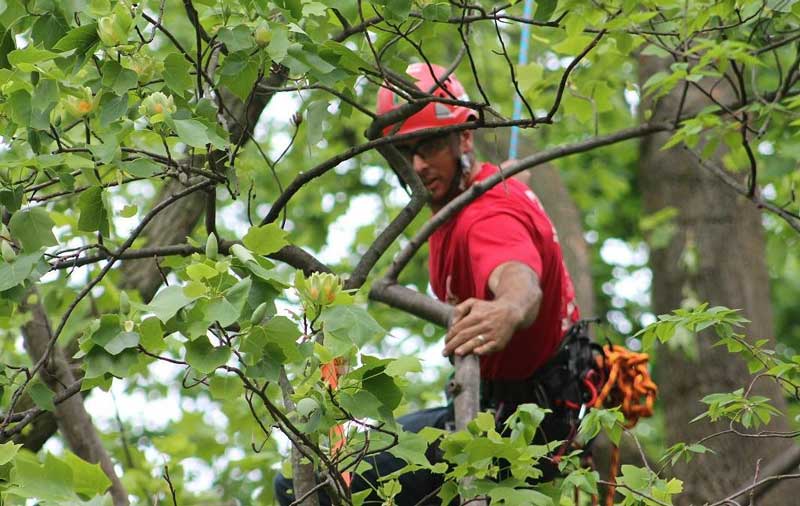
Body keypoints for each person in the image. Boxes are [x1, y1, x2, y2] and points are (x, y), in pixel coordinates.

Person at [275, 63, 587, 506]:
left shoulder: (487, 216)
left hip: (517, 429)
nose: (419, 165)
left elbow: (518, 278)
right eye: (406, 151)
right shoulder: (481, 191)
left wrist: (507, 310)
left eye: (432, 146)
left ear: (465, 137)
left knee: (313, 488)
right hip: (525, 411)